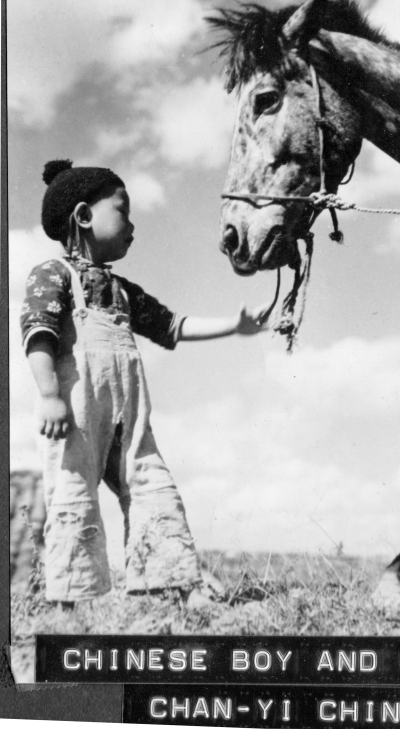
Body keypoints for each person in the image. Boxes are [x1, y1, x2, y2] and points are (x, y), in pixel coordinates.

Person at [21, 159, 267, 607]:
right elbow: (38, 335)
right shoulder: (52, 275)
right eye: (123, 210)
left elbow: (174, 326)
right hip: (74, 420)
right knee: (73, 497)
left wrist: (235, 324)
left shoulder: (124, 291)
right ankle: (70, 602)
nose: (133, 225)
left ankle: (166, 586)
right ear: (83, 216)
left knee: (154, 487)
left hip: (130, 422)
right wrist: (51, 396)